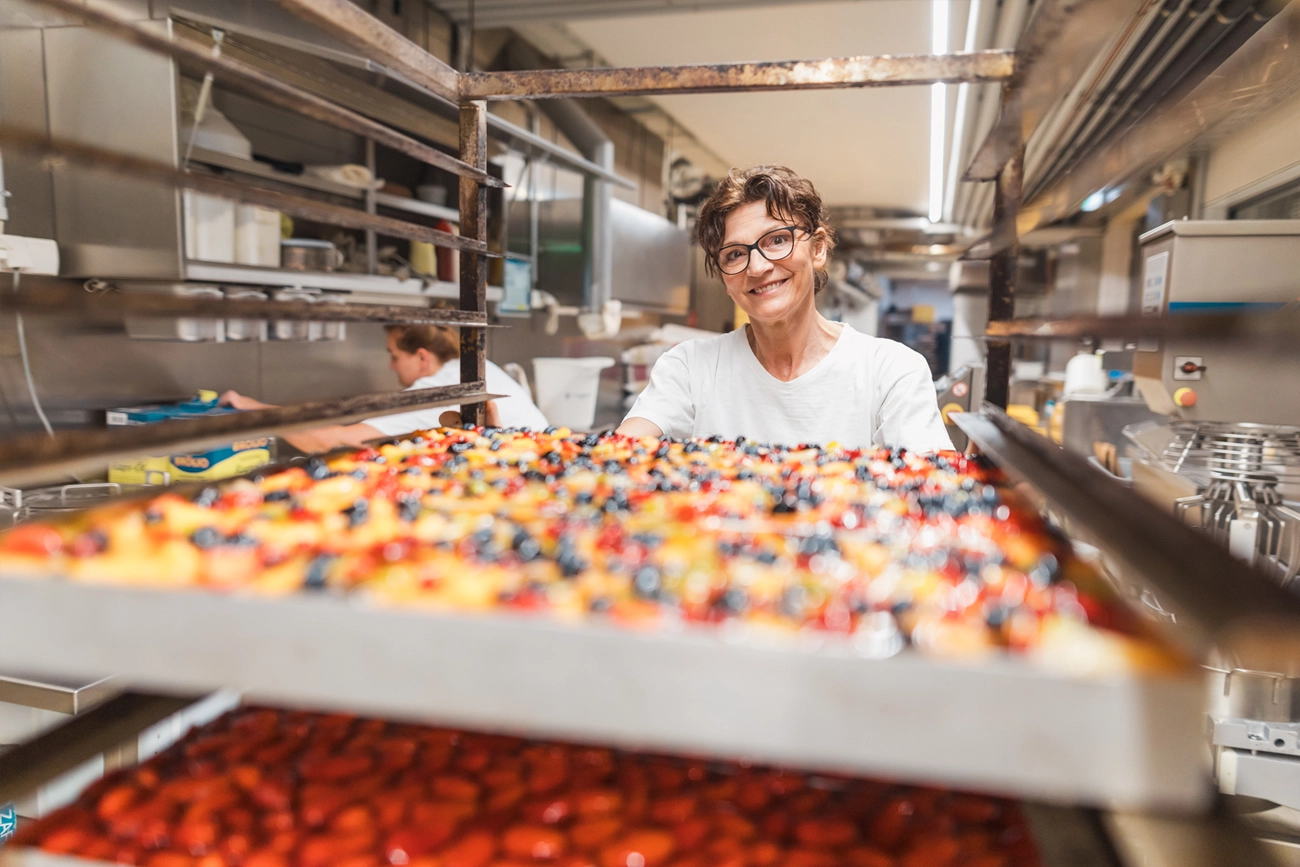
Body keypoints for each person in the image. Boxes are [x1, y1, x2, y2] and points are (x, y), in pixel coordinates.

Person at [616, 165, 952, 453]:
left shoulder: (892, 372)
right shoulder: (689, 368)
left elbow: (932, 490)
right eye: (734, 254)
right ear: (724, 277)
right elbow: (618, 457)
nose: (757, 267)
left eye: (777, 239)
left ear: (818, 249)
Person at [221, 324, 548, 453]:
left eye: (394, 356)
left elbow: (335, 441)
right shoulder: (478, 368)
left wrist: (253, 408)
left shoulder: (439, 387)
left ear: (421, 357)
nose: (391, 366)